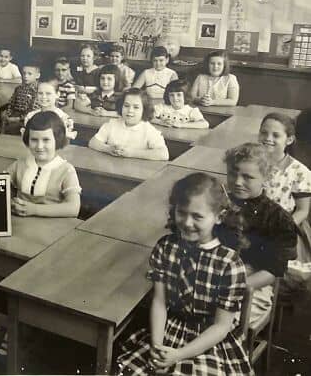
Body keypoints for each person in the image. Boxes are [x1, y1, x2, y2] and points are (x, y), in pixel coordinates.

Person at [117, 172, 252, 376]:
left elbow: (221, 327)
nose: (187, 223)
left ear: (219, 217)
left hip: (209, 341)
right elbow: (160, 302)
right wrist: (157, 347)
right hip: (168, 330)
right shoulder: (166, 247)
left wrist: (178, 355)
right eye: (182, 212)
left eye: (197, 216)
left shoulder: (229, 263)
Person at [0, 111, 81, 356]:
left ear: (58, 140)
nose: (39, 146)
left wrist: (34, 209)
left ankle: (17, 331)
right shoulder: (21, 164)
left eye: (46, 140)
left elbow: (73, 208)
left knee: (26, 279)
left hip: (47, 241)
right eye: (34, 140)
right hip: (18, 233)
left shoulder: (66, 170)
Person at [224, 143, 297, 325]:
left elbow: (273, 270)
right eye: (233, 173)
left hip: (254, 285)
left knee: (219, 322)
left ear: (267, 178)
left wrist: (235, 288)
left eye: (247, 177)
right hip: (214, 273)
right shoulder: (218, 203)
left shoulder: (278, 218)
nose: (237, 182)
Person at [258, 113, 311, 284]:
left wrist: (283, 229)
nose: (268, 139)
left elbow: (303, 210)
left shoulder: (300, 172)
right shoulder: (252, 164)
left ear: (289, 140)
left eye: (276, 135)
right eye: (264, 133)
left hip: (284, 226)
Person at [88, 88, 169, 161]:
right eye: (126, 106)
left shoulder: (149, 130)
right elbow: (93, 142)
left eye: (136, 107)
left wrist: (131, 153)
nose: (130, 110)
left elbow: (164, 154)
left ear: (144, 110)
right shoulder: (112, 124)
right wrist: (108, 149)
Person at [0, 63, 40, 133]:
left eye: (29, 74)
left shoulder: (38, 90)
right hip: (14, 115)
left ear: (37, 75)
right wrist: (8, 114)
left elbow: (34, 110)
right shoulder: (19, 88)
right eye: (24, 73)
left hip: (28, 119)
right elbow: (11, 103)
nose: (25, 76)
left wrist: (18, 119)